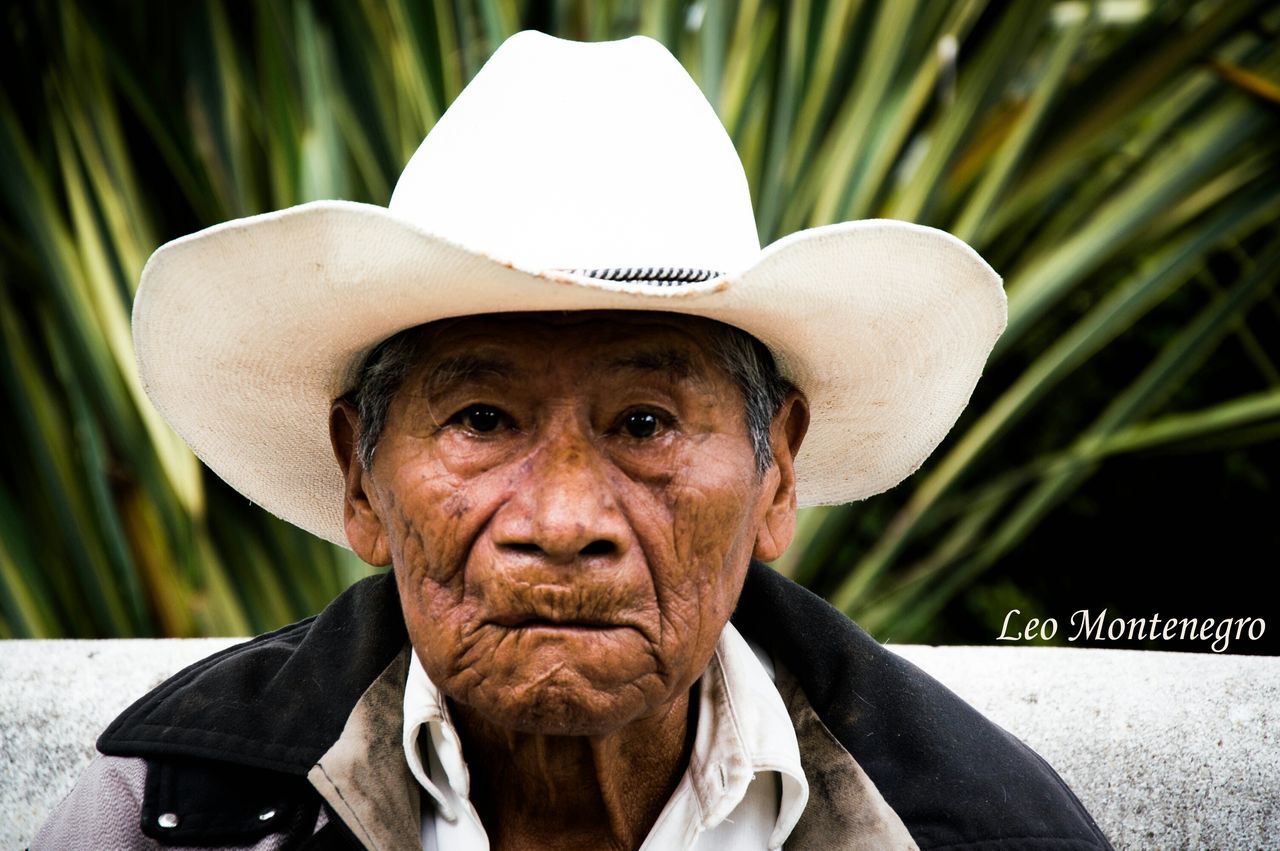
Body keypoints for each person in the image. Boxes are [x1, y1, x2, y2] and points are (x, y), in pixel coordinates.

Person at [35, 31, 1112, 851]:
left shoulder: (969, 824)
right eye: (480, 420)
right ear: (356, 476)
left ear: (776, 468)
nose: (560, 521)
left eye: (643, 423)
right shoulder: (170, 810)